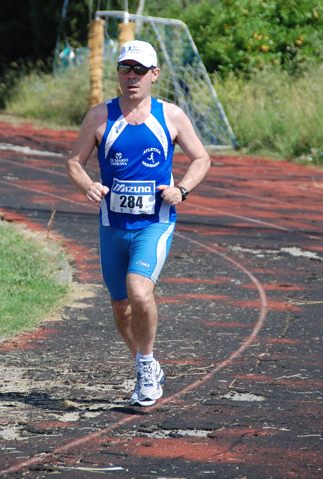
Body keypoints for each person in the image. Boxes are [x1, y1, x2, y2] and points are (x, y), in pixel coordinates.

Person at [67, 40, 210, 406]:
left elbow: (201, 159)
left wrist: (182, 189)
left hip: (154, 222)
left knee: (140, 291)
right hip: (112, 224)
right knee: (120, 306)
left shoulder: (171, 116)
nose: (133, 77)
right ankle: (146, 363)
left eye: (140, 70)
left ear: (154, 75)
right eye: (126, 69)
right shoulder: (100, 116)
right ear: (117, 73)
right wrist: (89, 185)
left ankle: (145, 370)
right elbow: (74, 162)